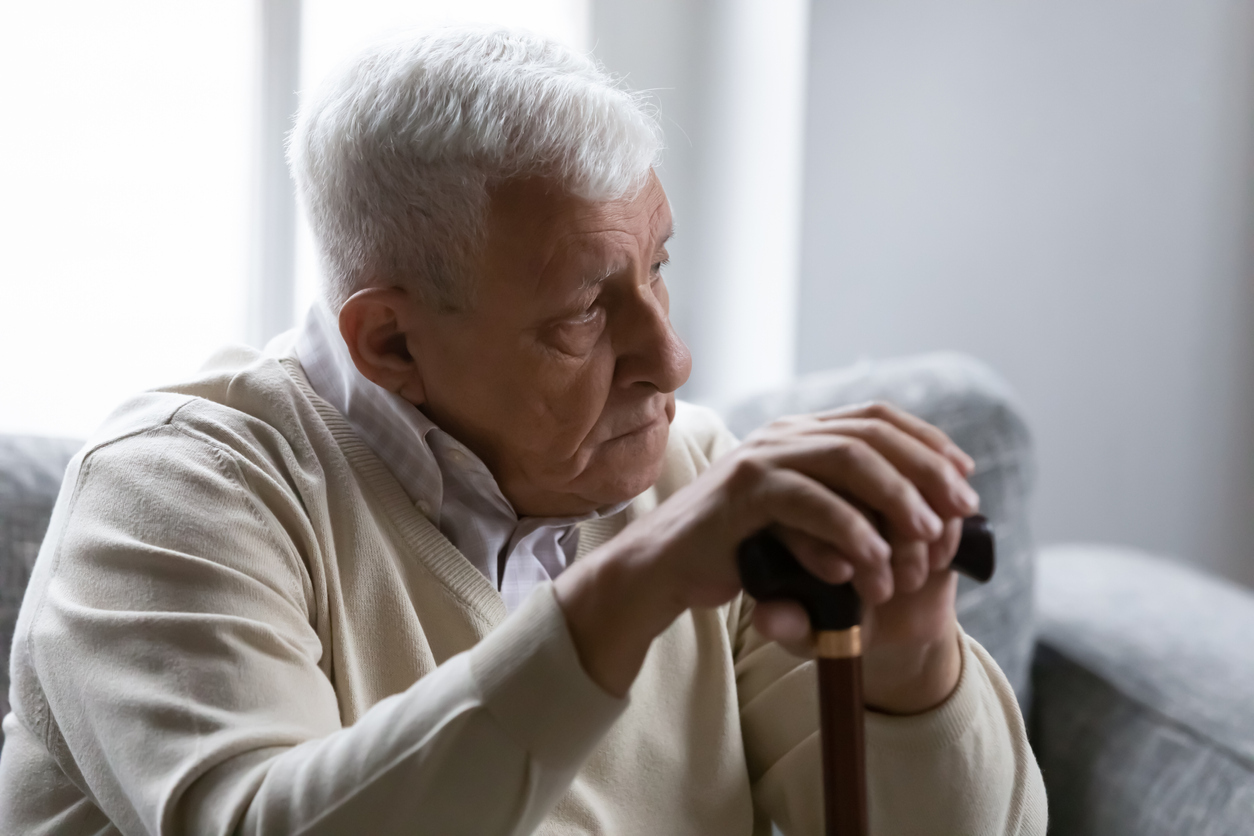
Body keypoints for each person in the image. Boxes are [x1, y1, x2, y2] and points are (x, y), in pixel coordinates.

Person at [0, 26, 1046, 835]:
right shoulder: (173, 494)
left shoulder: (689, 475)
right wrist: (634, 586)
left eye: (659, 270)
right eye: (582, 313)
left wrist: (908, 662)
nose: (671, 361)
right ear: (391, 341)